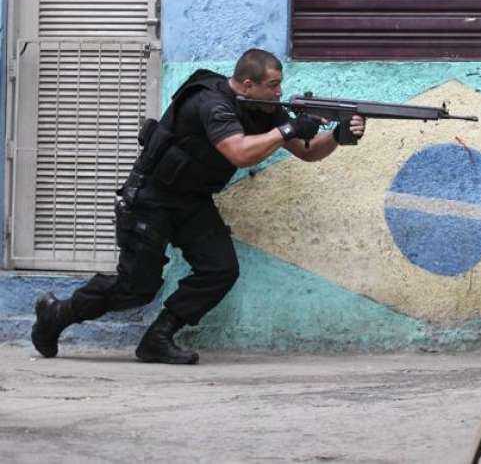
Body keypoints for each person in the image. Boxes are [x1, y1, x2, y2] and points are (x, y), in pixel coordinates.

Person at [30, 49, 366, 365]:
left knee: (220, 269)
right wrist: (289, 127)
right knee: (136, 289)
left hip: (192, 200)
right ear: (249, 84)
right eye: (273, 86)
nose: (279, 93)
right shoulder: (210, 102)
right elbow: (239, 152)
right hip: (152, 198)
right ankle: (56, 314)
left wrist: (339, 135)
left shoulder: (262, 109)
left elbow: (307, 151)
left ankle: (157, 339)